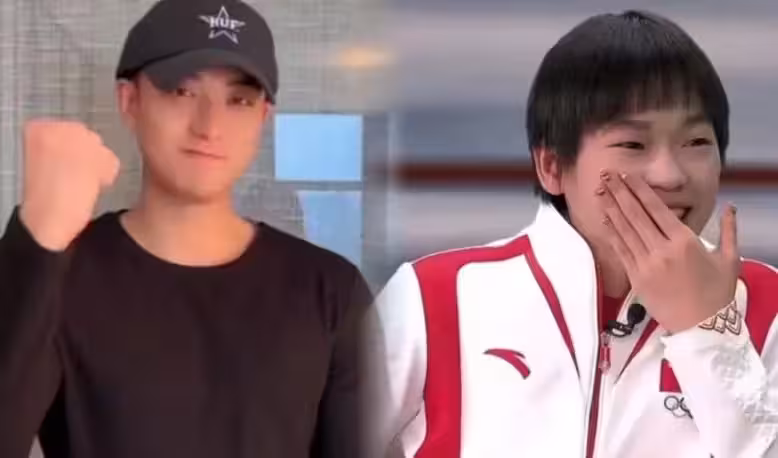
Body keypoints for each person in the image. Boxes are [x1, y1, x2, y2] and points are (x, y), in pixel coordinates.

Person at [373, 10, 778, 458]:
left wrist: (710, 334)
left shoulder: (770, 305)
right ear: (551, 166)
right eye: (632, 144)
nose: (670, 175)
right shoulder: (434, 297)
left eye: (696, 143)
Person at [0, 0, 372, 457]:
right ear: (130, 101)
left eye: (238, 100)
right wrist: (37, 237)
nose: (209, 126)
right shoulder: (57, 274)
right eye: (182, 91)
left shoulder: (330, 291)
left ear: (263, 117)